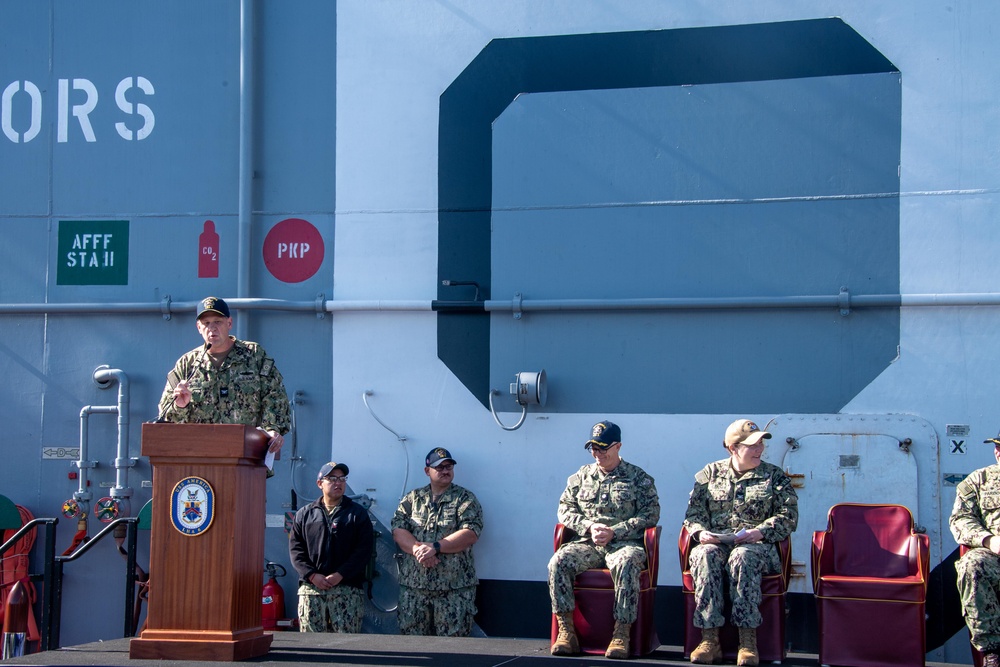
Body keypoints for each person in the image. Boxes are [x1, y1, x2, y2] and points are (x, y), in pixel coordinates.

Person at [682, 419, 798, 667]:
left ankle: (747, 642)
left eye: (760, 445)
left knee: (743, 556)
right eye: (752, 445)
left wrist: (761, 531)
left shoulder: (773, 476)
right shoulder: (710, 474)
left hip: (757, 546)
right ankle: (709, 640)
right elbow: (693, 515)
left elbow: (789, 516)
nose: (759, 450)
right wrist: (701, 532)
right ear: (733, 448)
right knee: (705, 554)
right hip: (718, 541)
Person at [548, 420, 660, 660]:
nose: (597, 454)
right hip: (588, 542)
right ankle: (567, 631)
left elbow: (651, 514)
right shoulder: (580, 476)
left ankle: (621, 633)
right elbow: (565, 509)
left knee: (627, 562)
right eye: (593, 448)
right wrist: (588, 526)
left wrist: (616, 531)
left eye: (603, 448)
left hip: (624, 543)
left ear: (618, 446)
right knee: (558, 562)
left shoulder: (638, 478)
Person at [157, 296, 290, 457]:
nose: (212, 328)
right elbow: (165, 416)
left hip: (246, 456)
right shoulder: (187, 364)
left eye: (218, 322)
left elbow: (275, 395)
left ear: (229, 323)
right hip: (199, 457)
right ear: (198, 327)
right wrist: (180, 406)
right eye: (206, 323)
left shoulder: (253, 355)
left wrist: (272, 428)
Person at [391, 447, 483, 636]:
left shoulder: (465, 499)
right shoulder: (413, 498)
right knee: (412, 645)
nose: (445, 471)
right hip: (414, 588)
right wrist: (419, 550)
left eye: (448, 466)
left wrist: (436, 547)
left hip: (454, 589)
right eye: (439, 467)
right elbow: (398, 530)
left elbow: (470, 532)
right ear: (427, 471)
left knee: (454, 647)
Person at [288, 462, 374, 633]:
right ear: (320, 483)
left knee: (346, 644)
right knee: (312, 646)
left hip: (347, 591)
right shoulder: (305, 514)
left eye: (342, 479)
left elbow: (364, 550)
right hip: (312, 591)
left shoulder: (357, 514)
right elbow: (296, 550)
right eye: (332, 479)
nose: (338, 483)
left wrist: (340, 574)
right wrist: (312, 575)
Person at [950, 430, 1000, 667]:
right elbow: (960, 519)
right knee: (971, 564)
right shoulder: (978, 481)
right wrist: (989, 540)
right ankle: (993, 652)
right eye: (997, 447)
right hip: (995, 559)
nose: (998, 452)